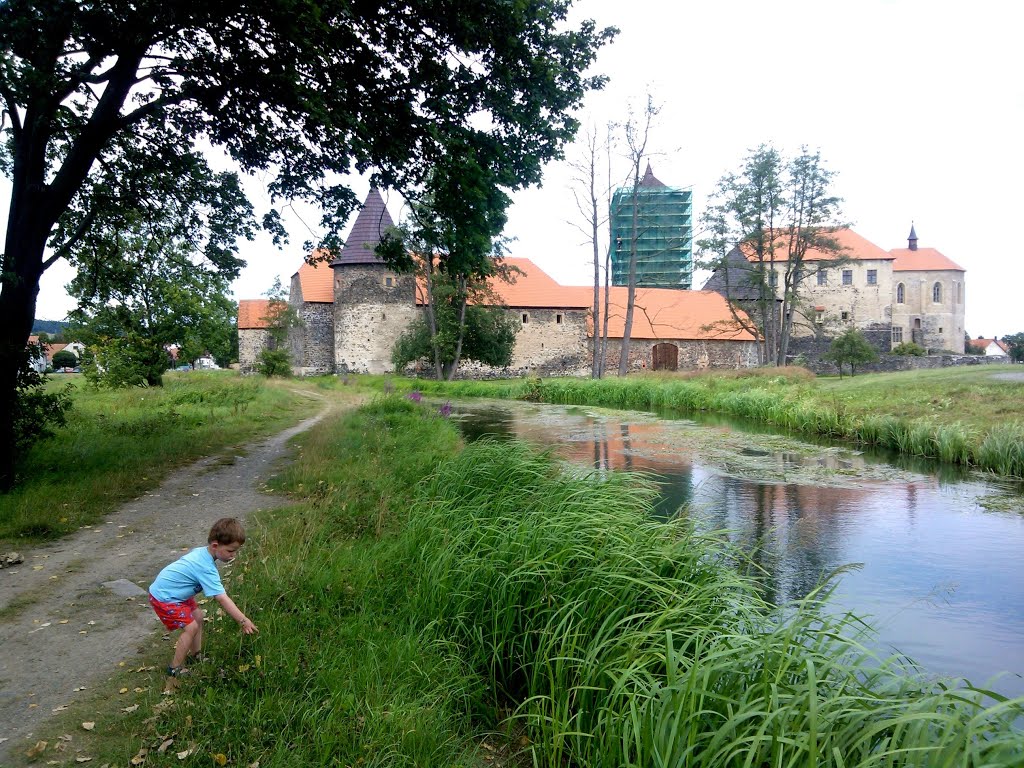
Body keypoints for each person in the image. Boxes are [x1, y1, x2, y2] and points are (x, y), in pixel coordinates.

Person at [148, 517, 258, 681]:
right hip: (165, 597)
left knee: (198, 616)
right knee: (191, 627)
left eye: (236, 551)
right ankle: (174, 668)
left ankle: (196, 655)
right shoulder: (205, 567)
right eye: (230, 551)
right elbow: (221, 598)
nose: (234, 555)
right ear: (215, 545)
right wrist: (243, 620)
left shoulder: (203, 553)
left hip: (175, 593)